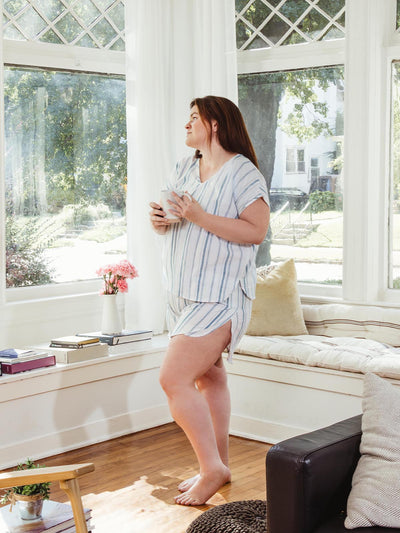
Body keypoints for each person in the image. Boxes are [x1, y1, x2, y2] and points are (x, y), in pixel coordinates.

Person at [149, 95, 270, 506]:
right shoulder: (185, 166)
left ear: (215, 124)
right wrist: (162, 222)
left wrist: (198, 216)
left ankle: (211, 469)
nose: (186, 125)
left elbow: (255, 232)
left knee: (173, 379)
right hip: (184, 293)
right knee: (209, 378)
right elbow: (175, 221)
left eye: (193, 118)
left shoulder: (243, 174)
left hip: (220, 295)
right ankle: (220, 463)